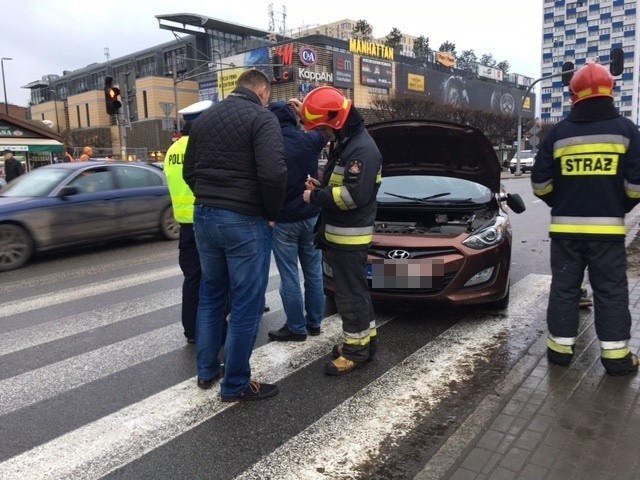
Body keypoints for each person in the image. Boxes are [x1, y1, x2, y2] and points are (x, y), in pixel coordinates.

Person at [183, 68, 287, 401]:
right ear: (263, 92)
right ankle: (236, 383)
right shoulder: (262, 118)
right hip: (244, 220)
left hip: (204, 216)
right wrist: (271, 214)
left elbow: (189, 171)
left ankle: (206, 371)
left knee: (211, 296)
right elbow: (273, 174)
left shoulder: (204, 120)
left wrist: (209, 197)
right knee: (246, 304)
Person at [531, 61, 640, 376]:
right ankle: (617, 358)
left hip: (565, 232)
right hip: (607, 234)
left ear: (572, 95)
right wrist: (617, 205)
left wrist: (561, 202)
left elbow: (540, 184)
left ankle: (559, 352)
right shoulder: (628, 131)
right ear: (611, 91)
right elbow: (636, 187)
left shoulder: (559, 134)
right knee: (610, 291)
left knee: (564, 289)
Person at [301, 86, 382, 376]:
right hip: (342, 234)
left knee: (349, 295)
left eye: (322, 127)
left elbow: (353, 197)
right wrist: (322, 187)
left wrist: (316, 197)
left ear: (335, 120)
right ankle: (365, 342)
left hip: (349, 235)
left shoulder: (360, 149)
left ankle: (355, 352)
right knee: (356, 292)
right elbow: (344, 187)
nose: (322, 134)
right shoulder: (350, 143)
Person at [266, 100, 329, 342]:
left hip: (283, 221)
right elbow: (324, 130)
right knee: (314, 271)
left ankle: (296, 327)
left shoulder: (269, 145)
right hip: (311, 214)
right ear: (294, 120)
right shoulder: (309, 140)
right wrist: (305, 111)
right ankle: (314, 323)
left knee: (290, 274)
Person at [164, 100, 213, 347]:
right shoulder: (205, 145)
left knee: (192, 278)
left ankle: (191, 330)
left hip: (184, 223)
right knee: (215, 278)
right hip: (206, 218)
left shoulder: (172, 150)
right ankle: (215, 327)